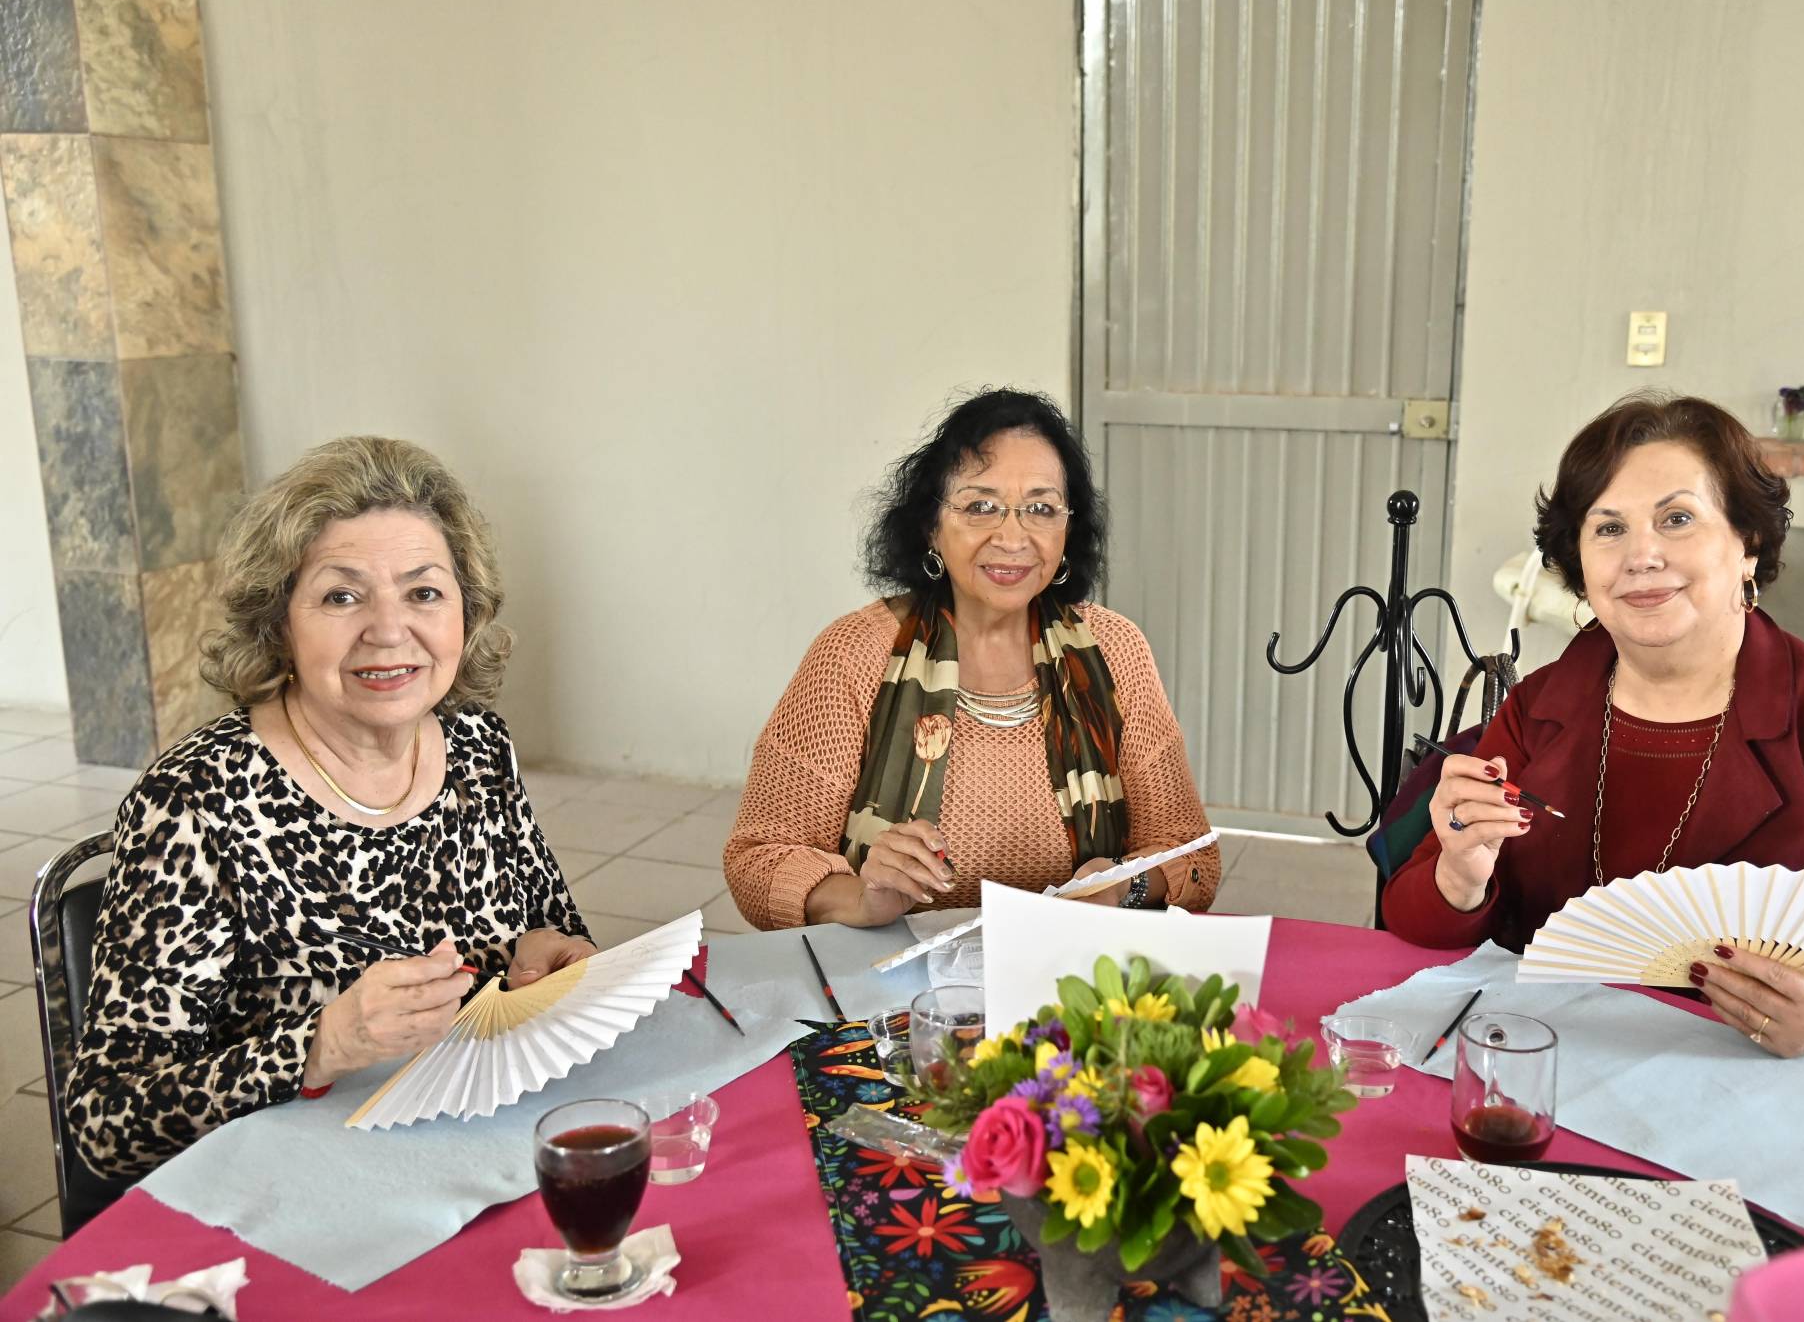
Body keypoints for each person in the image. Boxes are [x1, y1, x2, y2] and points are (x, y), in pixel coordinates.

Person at [1383, 394, 1804, 1100]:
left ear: (1748, 545)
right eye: (1608, 528)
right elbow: (1414, 923)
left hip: (1784, 1096)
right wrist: (1461, 874)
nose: (1641, 556)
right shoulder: (1539, 707)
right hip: (1566, 1081)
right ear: (1580, 563)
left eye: (1677, 519)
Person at [69, 437, 595, 1178]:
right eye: (342, 596)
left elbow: (555, 931)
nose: (389, 629)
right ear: (279, 622)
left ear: (465, 613)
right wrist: (323, 1044)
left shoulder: (478, 744)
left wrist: (544, 955)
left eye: (423, 592)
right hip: (302, 1183)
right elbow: (108, 1122)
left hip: (481, 1146)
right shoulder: (194, 803)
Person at [724, 388, 1219, 929]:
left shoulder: (1115, 650)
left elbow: (1192, 855)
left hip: (1067, 966)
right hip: (894, 973)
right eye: (981, 506)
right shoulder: (853, 655)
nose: (1013, 538)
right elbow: (758, 858)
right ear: (931, 527)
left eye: (1041, 508)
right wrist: (863, 898)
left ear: (1068, 528)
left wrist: (1124, 884)